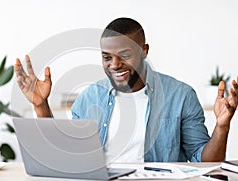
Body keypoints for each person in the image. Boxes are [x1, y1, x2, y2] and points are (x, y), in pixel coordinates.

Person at [14, 17, 238, 162]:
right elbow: (67, 158)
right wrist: (40, 105)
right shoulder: (89, 97)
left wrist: (221, 127)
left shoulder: (180, 96)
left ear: (144, 51)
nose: (114, 65)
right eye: (106, 57)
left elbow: (205, 163)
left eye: (124, 55)